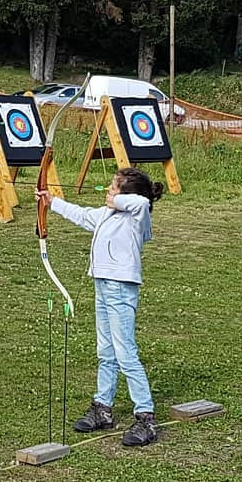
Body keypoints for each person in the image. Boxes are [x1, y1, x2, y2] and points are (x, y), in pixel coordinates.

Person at [35, 167, 164, 445]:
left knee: (125, 352)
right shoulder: (107, 214)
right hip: (102, 286)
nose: (108, 191)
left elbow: (142, 201)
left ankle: (146, 417)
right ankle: (102, 408)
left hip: (121, 288)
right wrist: (50, 202)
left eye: (113, 187)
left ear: (126, 196)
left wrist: (117, 199)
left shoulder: (137, 217)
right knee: (105, 351)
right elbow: (81, 215)